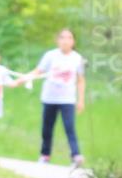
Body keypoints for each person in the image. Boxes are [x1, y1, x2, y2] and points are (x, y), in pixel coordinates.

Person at [18, 29, 86, 166]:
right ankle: (45, 155)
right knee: (47, 128)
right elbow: (38, 71)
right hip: (49, 98)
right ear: (57, 40)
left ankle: (76, 155)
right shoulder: (50, 56)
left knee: (69, 127)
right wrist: (23, 78)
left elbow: (80, 80)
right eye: (62, 37)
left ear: (73, 41)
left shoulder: (78, 59)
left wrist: (81, 100)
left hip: (67, 100)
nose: (65, 41)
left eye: (69, 38)